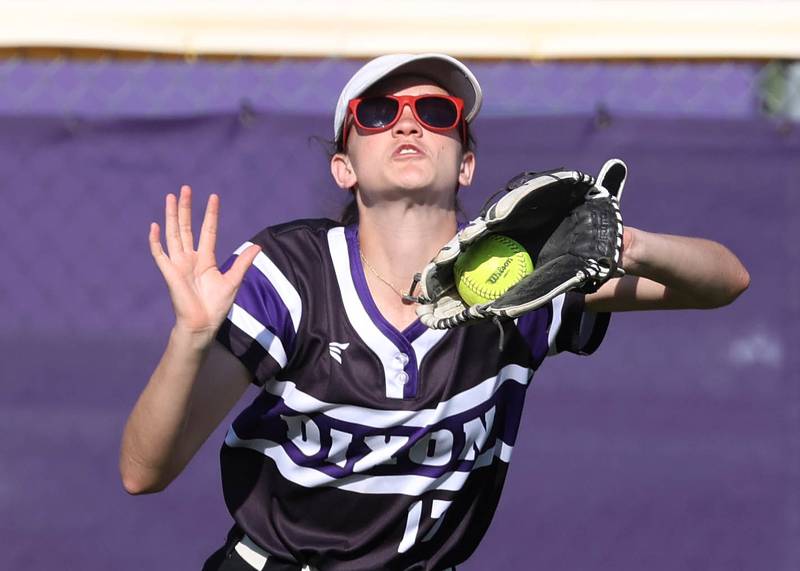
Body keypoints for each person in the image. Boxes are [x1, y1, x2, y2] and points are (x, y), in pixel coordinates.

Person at [119, 53, 750, 571]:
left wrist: (627, 244)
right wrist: (191, 337)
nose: (407, 124)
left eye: (435, 111)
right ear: (344, 168)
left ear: (467, 162)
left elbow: (725, 280)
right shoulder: (290, 275)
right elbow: (142, 473)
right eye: (377, 112)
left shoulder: (522, 286)